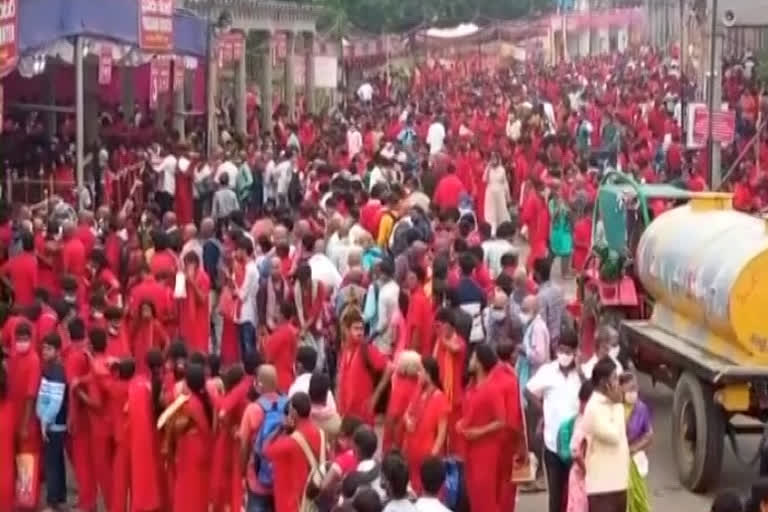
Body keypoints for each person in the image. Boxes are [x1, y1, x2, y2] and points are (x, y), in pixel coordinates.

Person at [526, 330, 582, 512]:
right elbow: (528, 391)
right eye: (561, 350)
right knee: (556, 498)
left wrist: (581, 370)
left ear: (575, 352)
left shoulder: (582, 374)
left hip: (578, 447)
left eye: (568, 352)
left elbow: (593, 394)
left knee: (576, 495)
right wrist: (542, 410)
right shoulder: (547, 371)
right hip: (553, 446)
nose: (564, 355)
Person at [459, 344, 506, 512]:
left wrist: (480, 431)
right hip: (470, 449)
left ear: (479, 362)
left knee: (485, 497)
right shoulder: (471, 388)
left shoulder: (492, 388)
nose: (470, 361)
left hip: (486, 451)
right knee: (474, 496)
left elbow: (501, 421)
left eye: (473, 358)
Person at [583, 357, 630, 512]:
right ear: (604, 383)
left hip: (619, 484)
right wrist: (618, 404)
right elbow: (614, 436)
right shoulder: (593, 408)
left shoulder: (611, 403)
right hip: (602, 489)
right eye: (615, 378)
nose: (618, 383)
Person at [264, 392, 324, 512]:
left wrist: (281, 429)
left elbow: (266, 450)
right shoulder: (320, 433)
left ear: (294, 413)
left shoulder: (291, 441)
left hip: (293, 502)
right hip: (313, 497)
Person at [403, 356, 449, 494]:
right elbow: (406, 412)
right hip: (412, 453)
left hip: (426, 456)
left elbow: (441, 434)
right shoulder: (418, 392)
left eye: (421, 371)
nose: (418, 374)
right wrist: (407, 421)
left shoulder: (440, 398)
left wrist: (432, 457)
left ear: (428, 374)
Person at [337, 308, 391, 426]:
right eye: (356, 328)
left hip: (363, 414)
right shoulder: (345, 351)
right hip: (347, 413)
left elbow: (389, 367)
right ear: (346, 330)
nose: (360, 332)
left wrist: (375, 396)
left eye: (361, 328)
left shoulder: (367, 350)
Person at [37, 333, 68, 512]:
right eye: (43, 348)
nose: (44, 352)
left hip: (52, 424)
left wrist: (44, 420)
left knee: (52, 462)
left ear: (57, 351)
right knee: (56, 460)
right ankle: (59, 496)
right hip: (53, 422)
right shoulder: (52, 368)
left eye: (48, 349)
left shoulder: (56, 371)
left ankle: (51, 501)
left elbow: (55, 401)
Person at [621, 372, 653, 512]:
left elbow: (649, 434)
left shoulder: (641, 408)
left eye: (635, 389)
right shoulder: (615, 408)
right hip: (617, 460)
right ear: (621, 390)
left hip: (635, 458)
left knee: (638, 494)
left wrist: (634, 449)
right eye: (629, 389)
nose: (633, 393)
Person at [566, 381, 594, 512]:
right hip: (582, 476)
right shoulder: (583, 421)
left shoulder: (585, 418)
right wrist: (588, 471)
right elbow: (575, 453)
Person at [263, 302, 300, 393]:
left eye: (277, 312)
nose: (275, 314)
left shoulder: (279, 334)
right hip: (289, 377)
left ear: (282, 315)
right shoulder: (293, 332)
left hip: (278, 380)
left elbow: (268, 357)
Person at [0, 231, 38, 307]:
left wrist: (11, 286)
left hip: (17, 303)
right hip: (31, 305)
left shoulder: (14, 260)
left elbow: (1, 273)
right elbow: (36, 287)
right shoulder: (34, 262)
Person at [483, 152, 511, 234]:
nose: (494, 161)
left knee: (501, 212)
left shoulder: (502, 170)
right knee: (491, 213)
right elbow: (484, 179)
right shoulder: (488, 169)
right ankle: (492, 231)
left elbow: (505, 183)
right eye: (492, 159)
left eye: (495, 158)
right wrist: (488, 168)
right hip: (490, 194)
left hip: (499, 193)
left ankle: (503, 230)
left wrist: (508, 197)